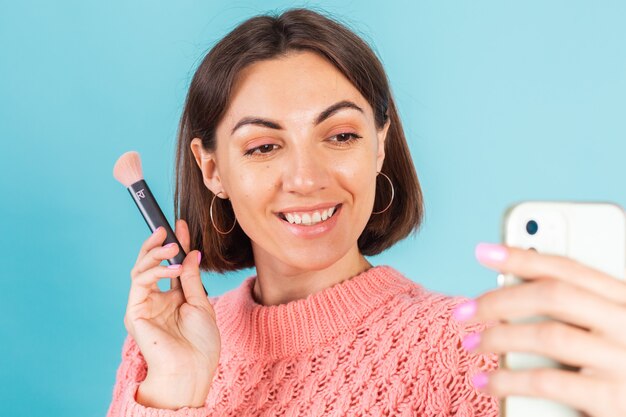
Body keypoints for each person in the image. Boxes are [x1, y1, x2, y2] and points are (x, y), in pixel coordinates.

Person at [107, 8, 626, 417]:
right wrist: (175, 392)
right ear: (212, 169)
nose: (307, 179)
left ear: (380, 146)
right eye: (264, 147)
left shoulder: (475, 353)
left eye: (340, 136)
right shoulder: (158, 349)